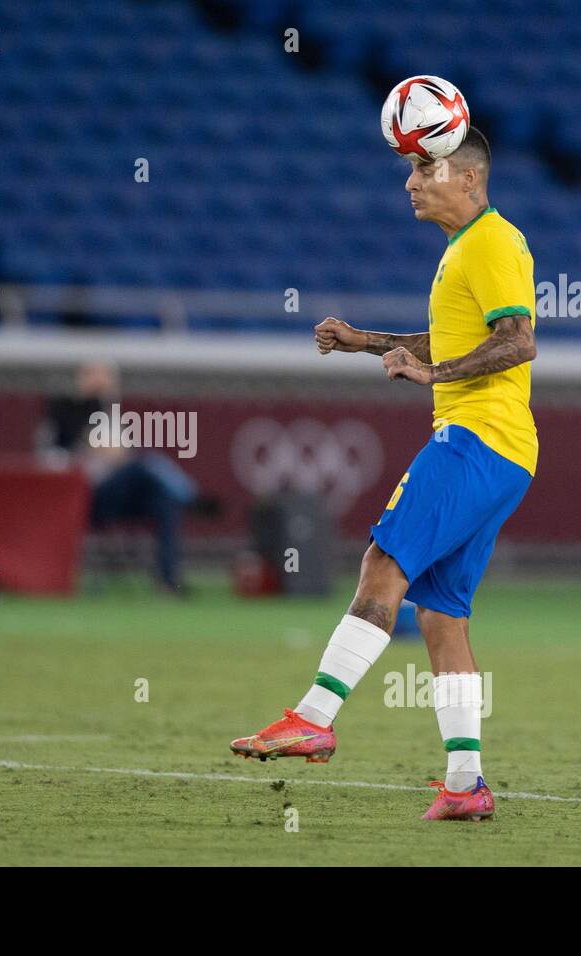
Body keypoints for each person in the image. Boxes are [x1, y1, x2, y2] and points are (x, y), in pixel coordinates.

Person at [229, 128, 537, 821]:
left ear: (469, 176)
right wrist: (364, 341)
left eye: (425, 166)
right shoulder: (468, 249)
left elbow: (518, 342)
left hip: (475, 441)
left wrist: (432, 374)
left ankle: (314, 716)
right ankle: (466, 784)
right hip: (504, 451)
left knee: (382, 563)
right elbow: (460, 340)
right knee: (441, 616)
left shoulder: (489, 241)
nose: (410, 181)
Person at [39, 361, 197, 593]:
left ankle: (169, 581)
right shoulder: (63, 412)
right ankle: (188, 493)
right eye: (93, 374)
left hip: (120, 493)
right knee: (145, 465)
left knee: (164, 502)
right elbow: (51, 460)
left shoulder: (110, 415)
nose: (100, 381)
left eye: (105, 376)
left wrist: (114, 453)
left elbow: (120, 453)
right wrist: (91, 448)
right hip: (86, 496)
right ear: (81, 379)